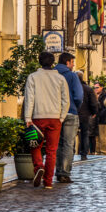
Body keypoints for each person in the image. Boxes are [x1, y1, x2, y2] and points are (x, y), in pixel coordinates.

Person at [24, 51, 70, 189]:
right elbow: (65, 100)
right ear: (52, 63)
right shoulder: (60, 79)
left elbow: (29, 98)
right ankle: (48, 182)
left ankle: (39, 166)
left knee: (35, 145)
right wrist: (61, 117)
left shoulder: (33, 77)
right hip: (55, 118)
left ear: (39, 62)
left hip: (37, 117)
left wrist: (28, 117)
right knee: (51, 150)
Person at [55, 52, 83, 183]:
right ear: (67, 62)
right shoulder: (72, 76)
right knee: (68, 143)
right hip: (70, 112)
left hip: (54, 113)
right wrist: (75, 106)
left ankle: (57, 169)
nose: (73, 65)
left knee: (57, 143)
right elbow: (78, 96)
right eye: (72, 62)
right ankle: (64, 172)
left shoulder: (52, 74)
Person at [76, 70, 98, 160]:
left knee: (71, 134)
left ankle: (71, 152)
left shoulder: (72, 88)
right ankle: (84, 153)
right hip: (85, 115)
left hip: (74, 113)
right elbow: (93, 103)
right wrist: (94, 112)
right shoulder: (88, 89)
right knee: (85, 134)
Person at [93, 81, 106, 155]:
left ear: (101, 87)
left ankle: (103, 152)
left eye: (97, 87)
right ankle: (97, 152)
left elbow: (105, 108)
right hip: (96, 119)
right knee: (97, 137)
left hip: (102, 119)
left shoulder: (105, 96)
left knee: (102, 137)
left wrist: (99, 115)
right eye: (94, 87)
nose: (95, 89)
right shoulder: (95, 95)